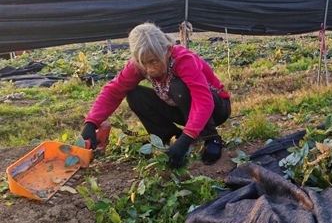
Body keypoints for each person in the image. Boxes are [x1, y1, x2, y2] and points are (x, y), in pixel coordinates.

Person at [81, 22, 231, 169]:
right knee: (134, 94)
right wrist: (91, 123)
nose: (149, 69)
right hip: (180, 107)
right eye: (143, 63)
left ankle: (210, 138)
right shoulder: (139, 66)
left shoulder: (183, 60)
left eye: (154, 61)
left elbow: (203, 101)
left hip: (216, 109)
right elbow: (113, 91)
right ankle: (169, 137)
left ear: (167, 51)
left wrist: (188, 137)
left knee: (179, 86)